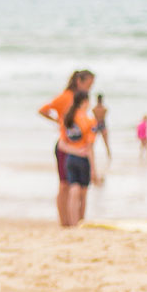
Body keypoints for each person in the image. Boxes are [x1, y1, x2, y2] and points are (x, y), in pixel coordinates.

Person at [39, 69, 95, 225]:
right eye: (89, 84)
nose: (90, 88)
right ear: (80, 82)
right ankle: (64, 222)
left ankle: (70, 222)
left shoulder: (77, 99)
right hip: (66, 146)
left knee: (70, 186)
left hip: (70, 145)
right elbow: (42, 110)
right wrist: (58, 122)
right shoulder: (66, 97)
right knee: (65, 185)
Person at [58, 91, 100, 226]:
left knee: (73, 190)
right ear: (85, 102)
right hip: (83, 159)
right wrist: (94, 169)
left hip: (70, 158)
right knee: (83, 193)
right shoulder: (89, 120)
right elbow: (89, 147)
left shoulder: (68, 118)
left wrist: (74, 151)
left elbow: (61, 144)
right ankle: (81, 222)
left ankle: (72, 223)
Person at [93, 93, 111, 160]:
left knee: (92, 142)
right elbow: (104, 115)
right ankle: (109, 156)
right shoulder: (104, 109)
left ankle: (91, 156)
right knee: (106, 142)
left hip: (96, 124)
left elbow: (95, 117)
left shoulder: (94, 109)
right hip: (103, 124)